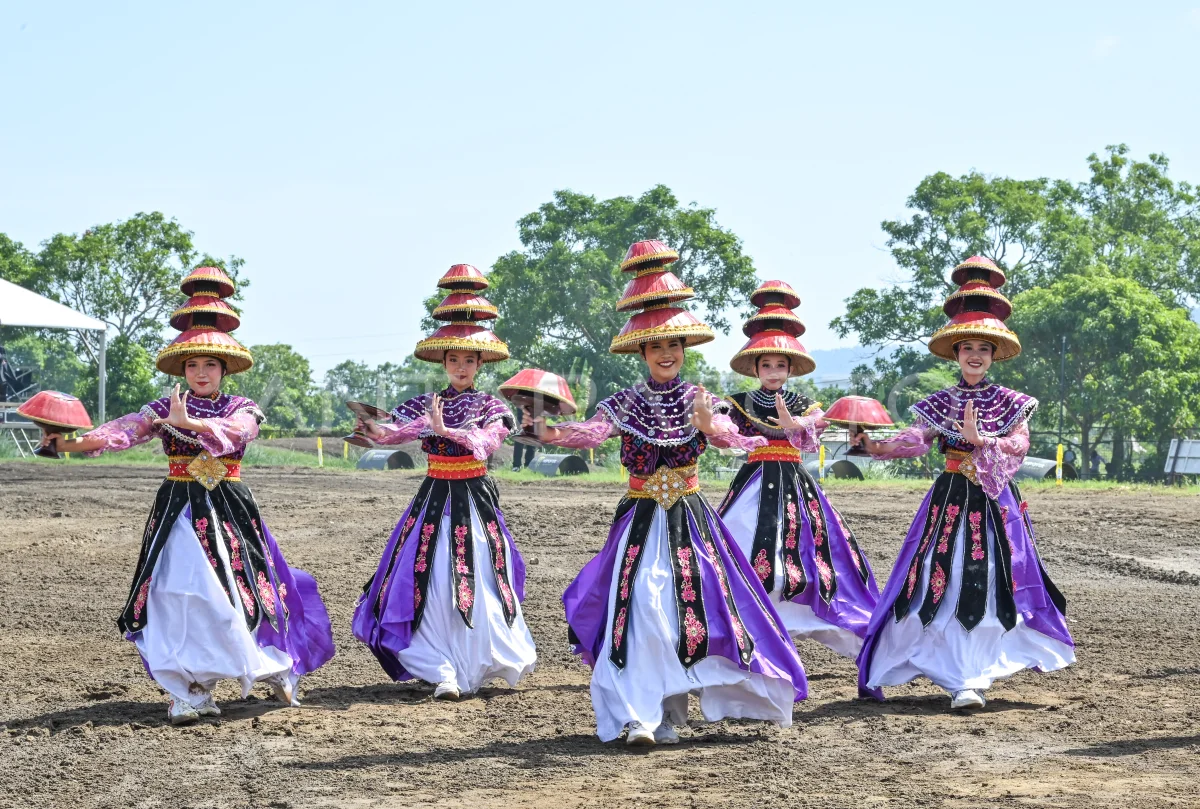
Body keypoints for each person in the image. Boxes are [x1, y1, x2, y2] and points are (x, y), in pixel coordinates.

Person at [531, 240, 807, 746]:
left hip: (691, 521)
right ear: (642, 351)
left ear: (684, 349)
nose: (666, 353)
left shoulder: (703, 399)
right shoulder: (625, 402)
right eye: (656, 346)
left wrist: (709, 425)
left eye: (674, 345)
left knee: (693, 609)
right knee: (640, 606)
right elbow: (592, 432)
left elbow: (735, 438)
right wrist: (551, 432)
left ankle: (674, 706)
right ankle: (641, 714)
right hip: (640, 519)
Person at [39, 267, 335, 725]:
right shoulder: (161, 408)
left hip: (228, 509)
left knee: (241, 590)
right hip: (177, 509)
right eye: (192, 365)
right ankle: (190, 689)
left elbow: (239, 432)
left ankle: (271, 664)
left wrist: (191, 424)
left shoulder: (242, 407)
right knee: (176, 593)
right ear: (182, 369)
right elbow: (121, 431)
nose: (200, 372)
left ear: (224, 369)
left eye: (209, 365)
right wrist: (68, 443)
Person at [852, 256, 1074, 710]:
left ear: (993, 356)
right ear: (955, 353)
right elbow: (915, 441)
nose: (975, 355)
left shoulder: (1011, 402)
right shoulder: (940, 402)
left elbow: (1019, 445)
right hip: (951, 500)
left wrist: (983, 440)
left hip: (995, 503)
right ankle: (952, 673)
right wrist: (874, 446)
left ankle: (971, 675)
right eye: (967, 347)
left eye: (984, 349)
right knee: (940, 579)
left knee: (991, 579)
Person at [351, 264, 536, 700]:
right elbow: (395, 432)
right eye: (453, 359)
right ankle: (439, 667)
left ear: (480, 362)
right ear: (443, 362)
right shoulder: (425, 402)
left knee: (478, 579)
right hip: (434, 498)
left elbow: (486, 443)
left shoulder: (492, 407)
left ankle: (475, 662)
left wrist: (447, 431)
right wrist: (372, 429)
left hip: (474, 499)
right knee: (429, 581)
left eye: (469, 359)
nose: (460, 366)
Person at [716, 280, 879, 662]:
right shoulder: (737, 402)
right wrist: (714, 425)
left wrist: (796, 425)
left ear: (790, 368)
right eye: (766, 365)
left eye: (780, 365)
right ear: (756, 367)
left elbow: (813, 434)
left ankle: (804, 619)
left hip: (794, 482)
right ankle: (751, 624)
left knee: (815, 553)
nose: (773, 371)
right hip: (753, 482)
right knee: (738, 540)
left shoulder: (806, 404)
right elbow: (721, 433)